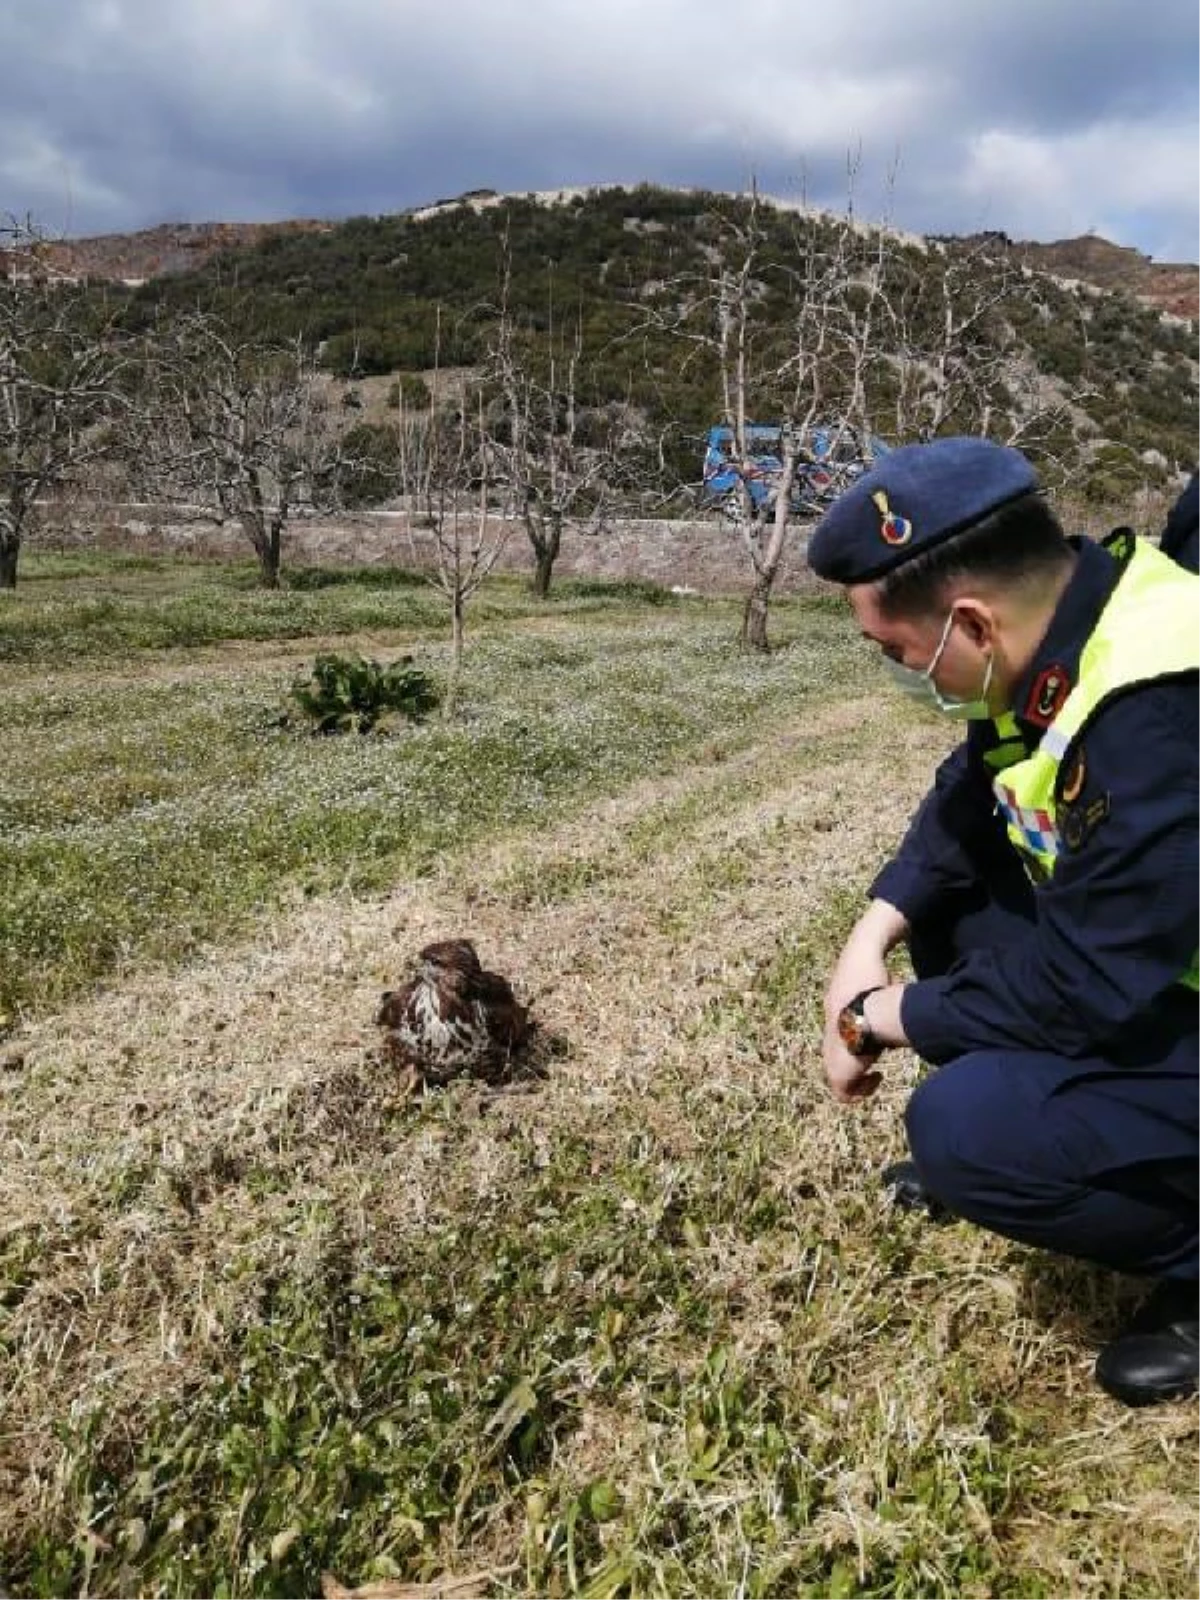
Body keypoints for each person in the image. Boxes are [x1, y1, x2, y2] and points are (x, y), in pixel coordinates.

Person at [806, 436, 1200, 1408]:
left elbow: (1083, 987)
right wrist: (873, 931)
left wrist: (876, 1017)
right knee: (957, 901)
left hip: (1145, 984)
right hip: (1158, 977)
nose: (907, 673)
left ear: (971, 621)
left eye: (897, 653)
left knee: (963, 1127)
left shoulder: (1157, 711)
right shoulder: (1084, 621)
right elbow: (973, 787)